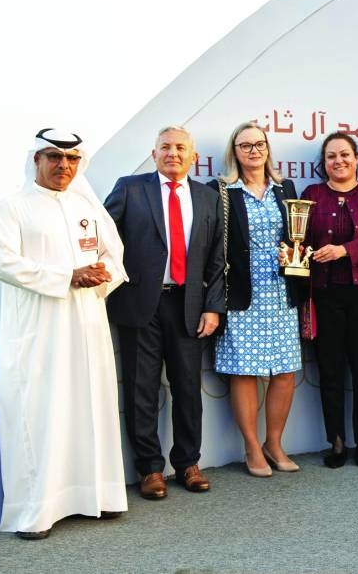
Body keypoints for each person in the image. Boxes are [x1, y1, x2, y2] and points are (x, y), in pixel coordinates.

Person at [0, 129, 128, 539]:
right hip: (39, 329)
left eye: (70, 159)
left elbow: (113, 256)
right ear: (36, 160)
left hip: (87, 326)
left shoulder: (88, 206)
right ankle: (36, 511)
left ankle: (98, 497)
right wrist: (68, 276)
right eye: (53, 157)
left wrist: (99, 275)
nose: (62, 166)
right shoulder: (12, 207)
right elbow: (6, 265)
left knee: (90, 406)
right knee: (40, 410)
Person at [105, 125, 225, 499]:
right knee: (141, 389)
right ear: (153, 153)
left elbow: (217, 259)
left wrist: (213, 307)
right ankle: (150, 470)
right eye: (166, 147)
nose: (173, 153)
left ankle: (188, 463)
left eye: (181, 148)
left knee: (188, 388)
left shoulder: (208, 197)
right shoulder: (130, 188)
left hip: (188, 306)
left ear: (193, 157)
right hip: (140, 303)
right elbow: (103, 239)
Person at [208, 121, 305, 477]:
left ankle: (274, 443)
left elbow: (298, 238)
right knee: (245, 373)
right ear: (234, 152)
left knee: (284, 372)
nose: (253, 151)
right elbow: (214, 248)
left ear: (268, 149)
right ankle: (252, 448)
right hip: (241, 295)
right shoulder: (221, 191)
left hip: (281, 291)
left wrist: (291, 252)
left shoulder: (286, 188)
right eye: (245, 145)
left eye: (259, 144)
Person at [301, 132, 358, 468]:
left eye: (344, 155)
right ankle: (336, 442)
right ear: (323, 163)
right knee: (330, 369)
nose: (338, 161)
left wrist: (343, 251)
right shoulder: (312, 195)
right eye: (331, 157)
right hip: (324, 293)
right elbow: (301, 239)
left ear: (356, 158)